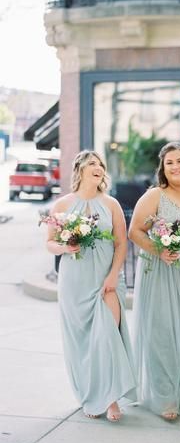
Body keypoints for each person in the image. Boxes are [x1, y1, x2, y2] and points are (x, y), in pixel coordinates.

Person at [46, 150, 137, 422]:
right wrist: (65, 245)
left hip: (106, 280)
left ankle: (110, 400)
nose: (98, 168)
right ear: (80, 170)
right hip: (74, 280)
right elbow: (49, 242)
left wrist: (112, 276)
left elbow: (121, 243)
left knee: (106, 337)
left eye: (100, 164)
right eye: (92, 164)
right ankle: (89, 394)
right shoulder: (62, 205)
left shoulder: (111, 204)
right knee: (83, 342)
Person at [129, 142, 180, 421]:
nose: (175, 167)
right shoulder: (155, 196)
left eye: (179, 161)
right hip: (159, 271)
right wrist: (160, 249)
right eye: (169, 163)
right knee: (162, 333)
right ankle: (166, 397)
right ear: (163, 168)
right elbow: (135, 231)